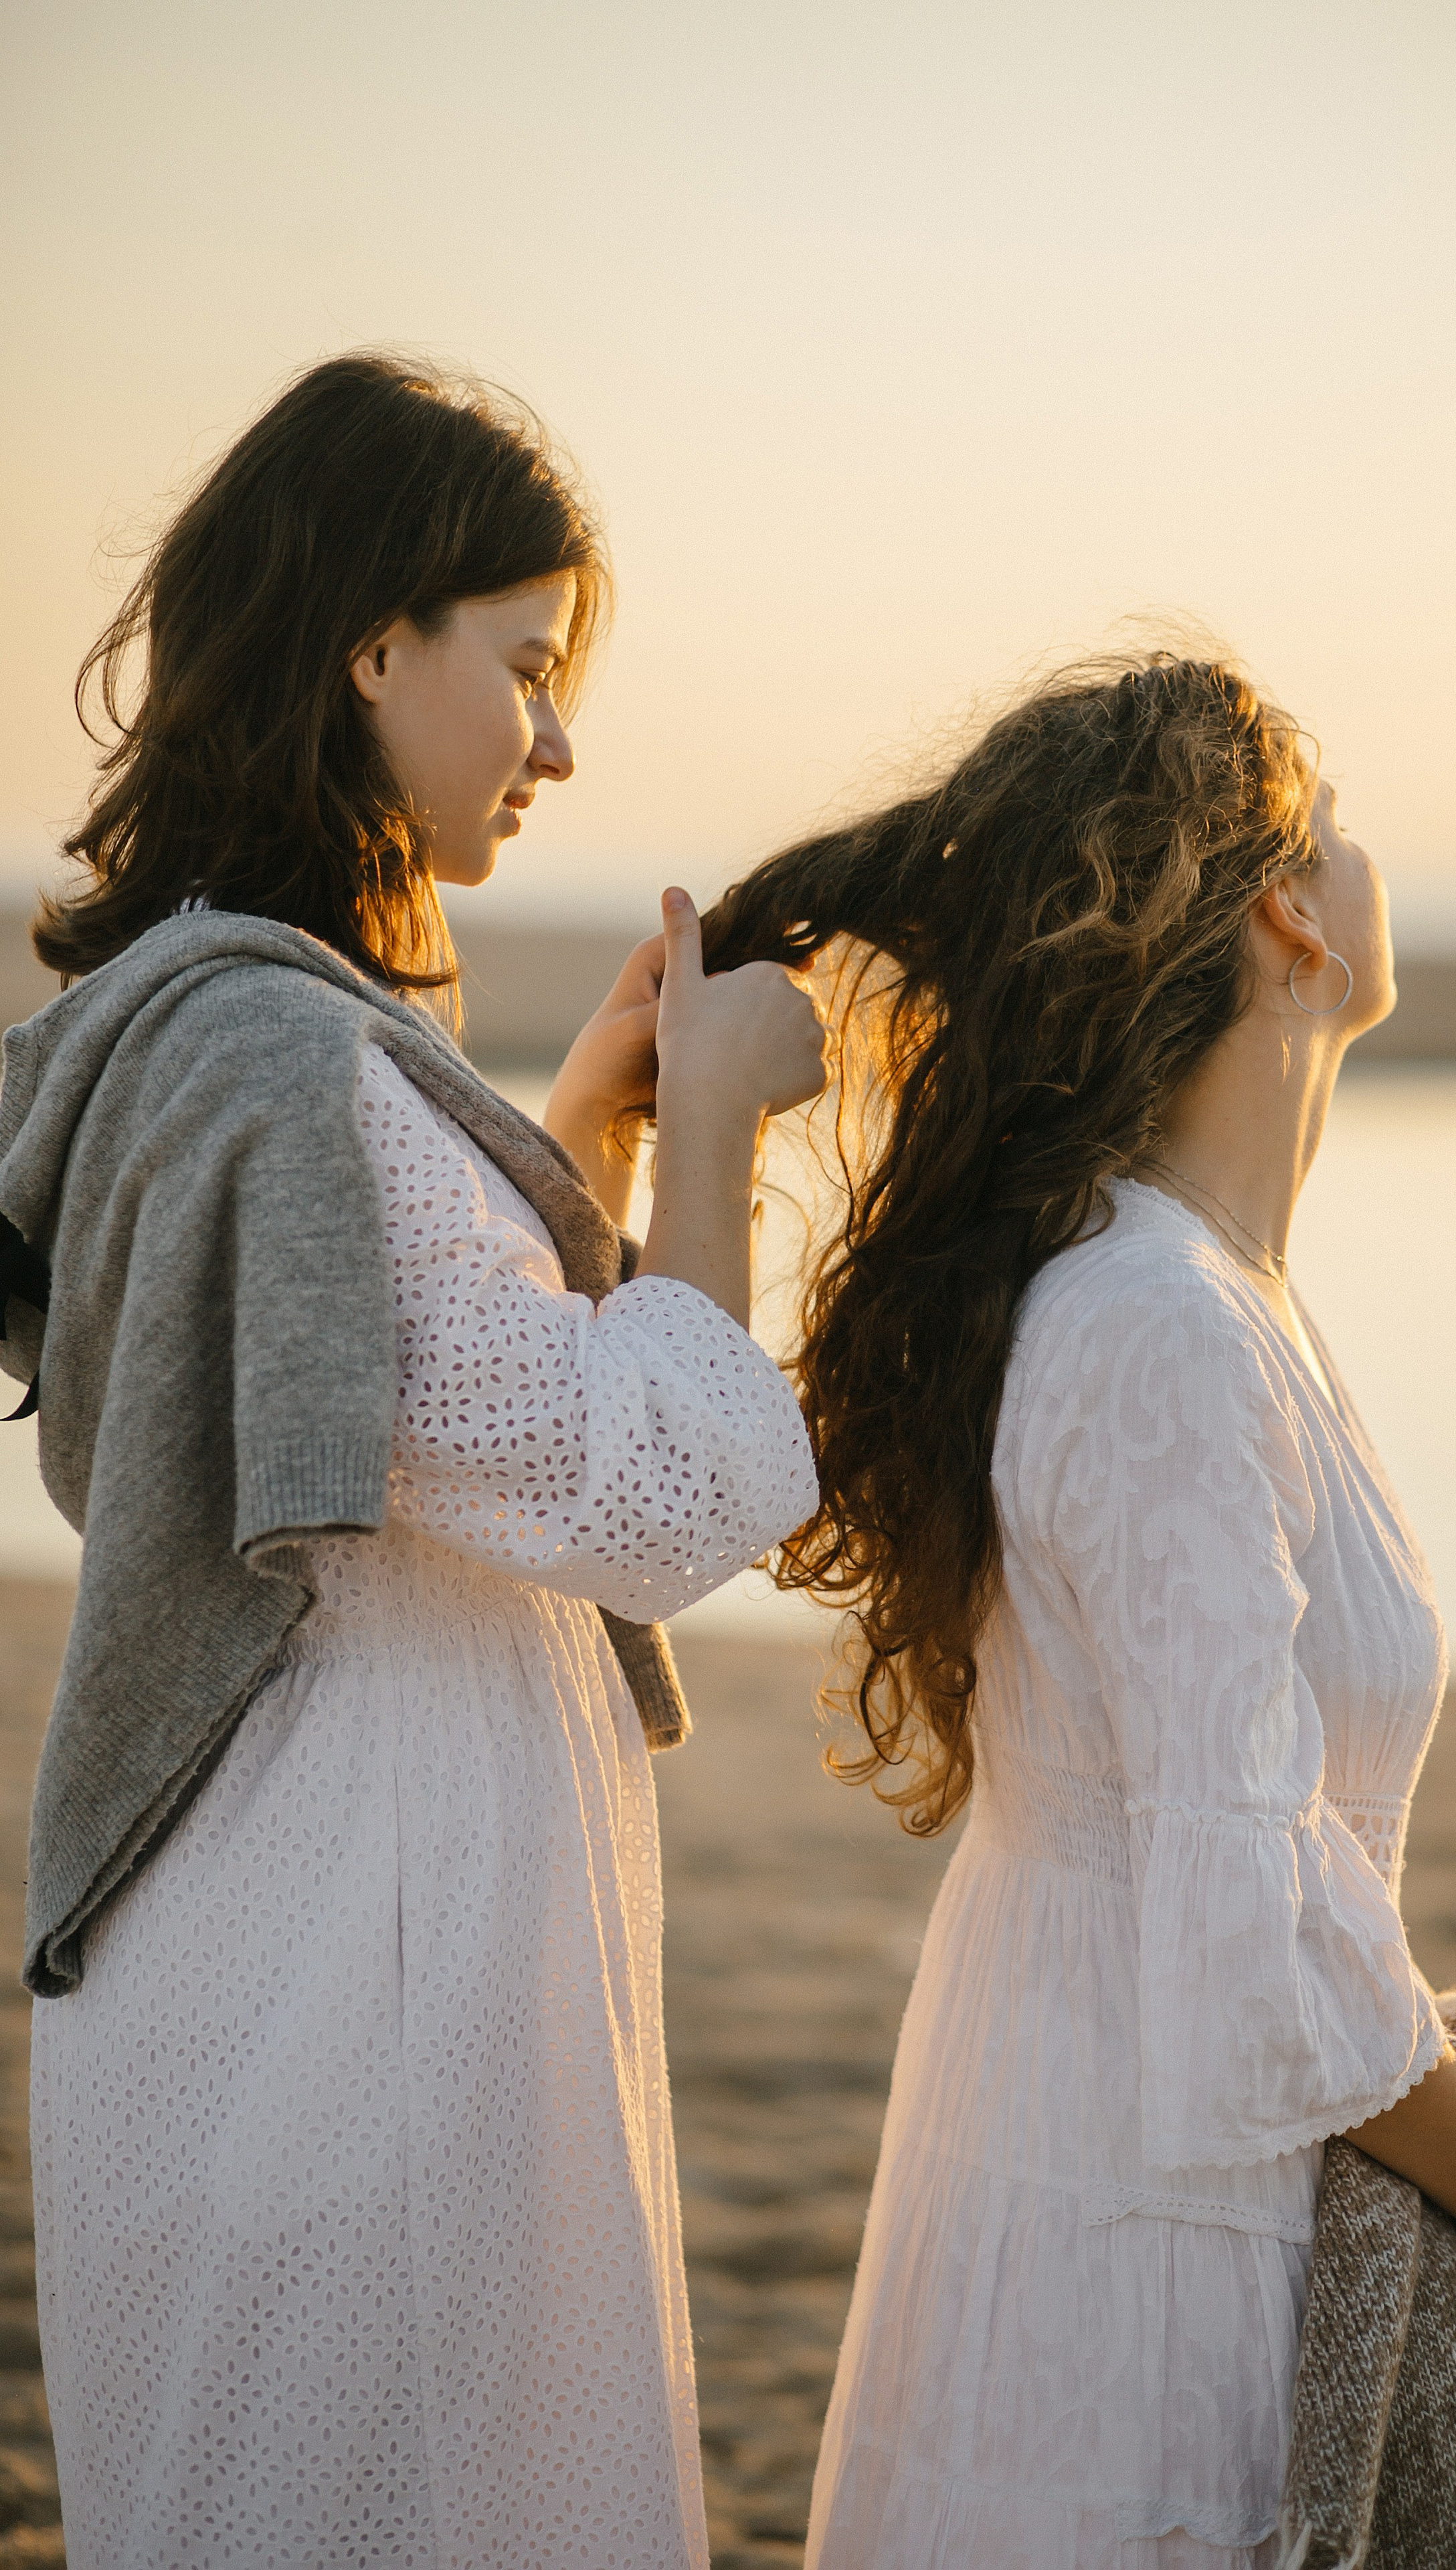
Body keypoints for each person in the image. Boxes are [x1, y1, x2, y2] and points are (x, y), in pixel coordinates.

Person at [1, 353, 824, 2567]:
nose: (559, 740)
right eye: (529, 668)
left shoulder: (216, 1018)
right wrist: (729, 1129)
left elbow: (384, 1401)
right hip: (358, 1986)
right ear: (376, 642)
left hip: (297, 1945)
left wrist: (577, 1144)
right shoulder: (291, 1054)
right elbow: (652, 1507)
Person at [700, 653, 1456, 2570]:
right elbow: (1251, 1953)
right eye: (1330, 815)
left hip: (1140, 2156)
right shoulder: (1163, 1323)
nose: (1365, 847)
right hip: (1153, 2250)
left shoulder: (1206, 1296)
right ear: (1283, 913)